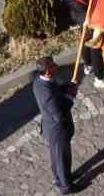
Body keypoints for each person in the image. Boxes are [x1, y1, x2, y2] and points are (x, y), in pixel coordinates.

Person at [32, 58, 78, 194]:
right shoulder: (44, 91)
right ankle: (65, 186)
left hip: (56, 129)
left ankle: (64, 177)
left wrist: (67, 87)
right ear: (47, 71)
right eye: (52, 66)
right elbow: (58, 113)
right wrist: (70, 96)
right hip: (57, 130)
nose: (56, 66)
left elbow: (56, 91)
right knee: (61, 158)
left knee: (59, 156)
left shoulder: (44, 80)